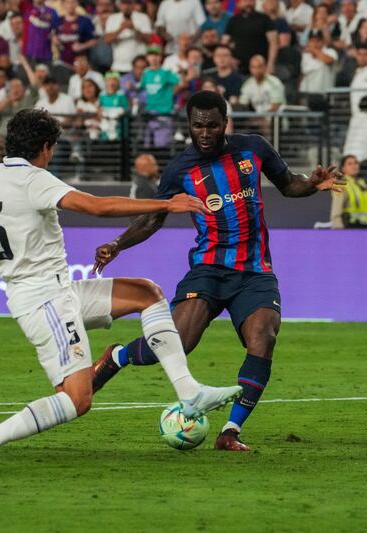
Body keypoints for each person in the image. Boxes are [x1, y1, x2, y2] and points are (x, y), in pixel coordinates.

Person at [0, 108, 241, 473]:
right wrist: (167, 203)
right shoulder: (34, 180)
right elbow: (97, 206)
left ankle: (190, 392)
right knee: (78, 399)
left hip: (60, 290)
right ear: (45, 147)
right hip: (44, 301)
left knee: (147, 293)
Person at [90, 91, 344, 451]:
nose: (205, 133)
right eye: (198, 126)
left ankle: (230, 432)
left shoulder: (253, 148)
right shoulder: (180, 168)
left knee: (264, 338)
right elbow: (152, 218)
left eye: (212, 125)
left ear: (225, 122)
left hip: (254, 271)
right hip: (208, 268)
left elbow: (288, 183)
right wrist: (117, 244)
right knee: (178, 342)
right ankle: (117, 357)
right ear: (190, 126)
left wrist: (312, 184)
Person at [222, 0, 278, 76]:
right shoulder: (233, 20)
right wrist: (230, 59)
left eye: (251, 1)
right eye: (245, 1)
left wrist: (271, 64)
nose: (248, 3)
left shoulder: (264, 19)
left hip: (261, 66)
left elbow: (273, 43)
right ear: (239, 3)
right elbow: (224, 43)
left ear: (255, 2)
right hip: (239, 68)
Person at [329, 155, 367, 229]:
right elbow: (336, 211)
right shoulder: (340, 184)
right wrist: (338, 230)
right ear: (343, 168)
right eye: (349, 164)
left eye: (356, 163)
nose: (354, 166)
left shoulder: (361, 183)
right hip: (351, 227)